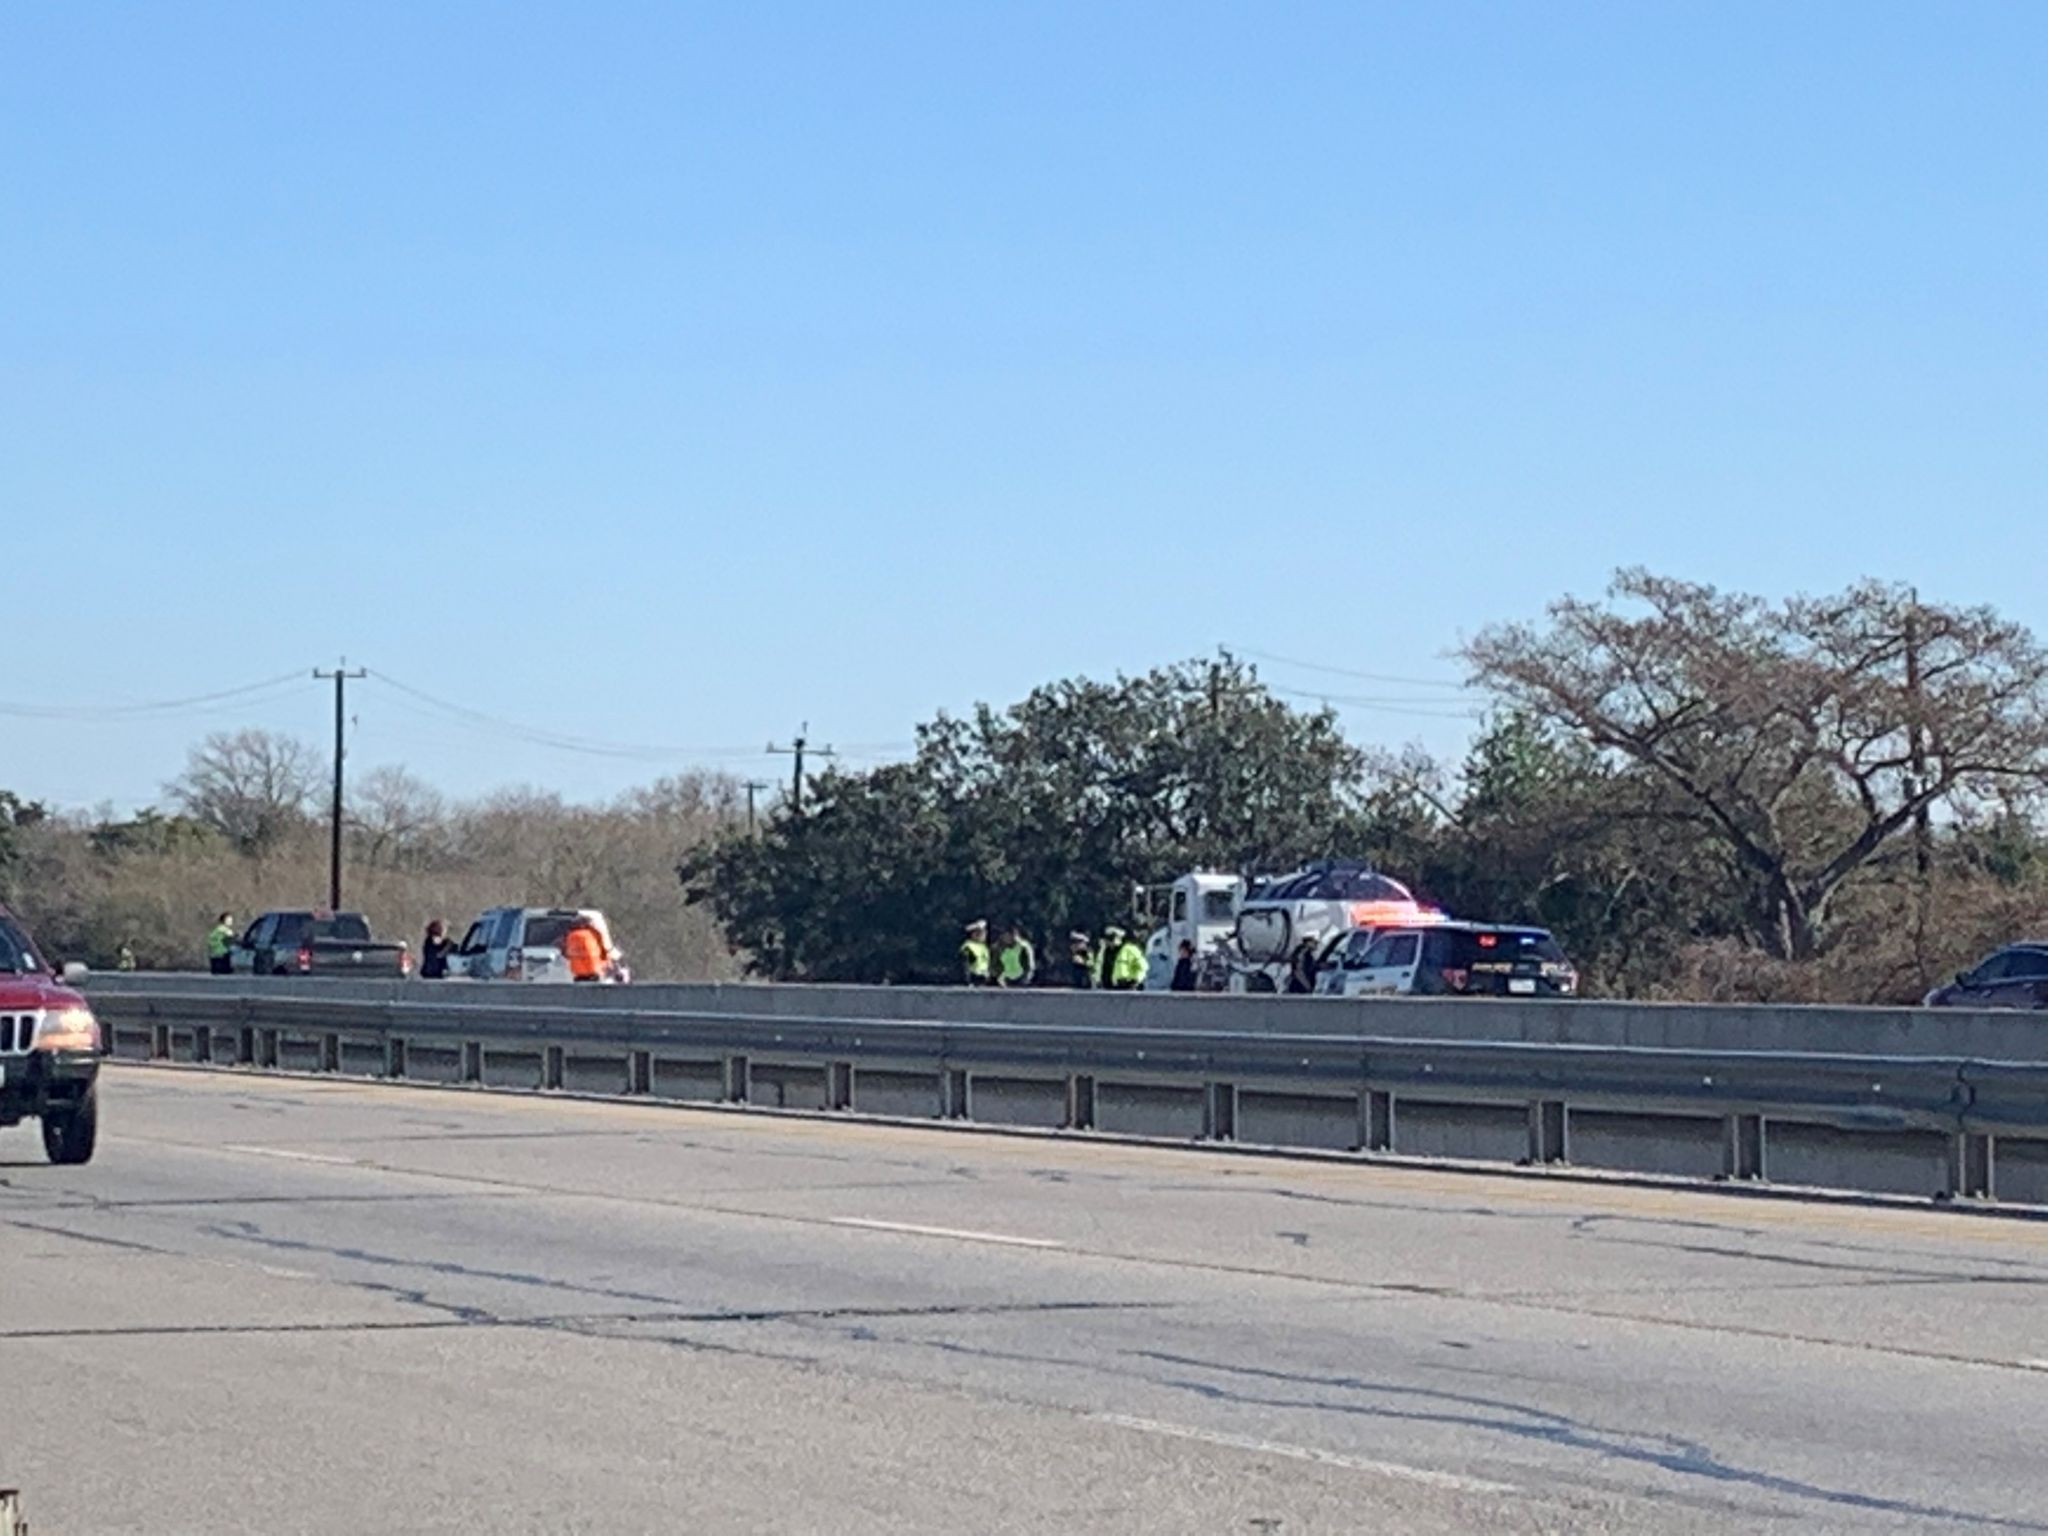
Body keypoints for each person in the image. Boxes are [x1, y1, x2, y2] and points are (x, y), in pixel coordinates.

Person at [959, 920, 993, 986]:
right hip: (973, 980)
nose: (983, 934)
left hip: (984, 980)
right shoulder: (968, 946)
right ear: (973, 934)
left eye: (984, 932)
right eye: (979, 932)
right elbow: (965, 966)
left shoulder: (983, 947)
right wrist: (968, 981)